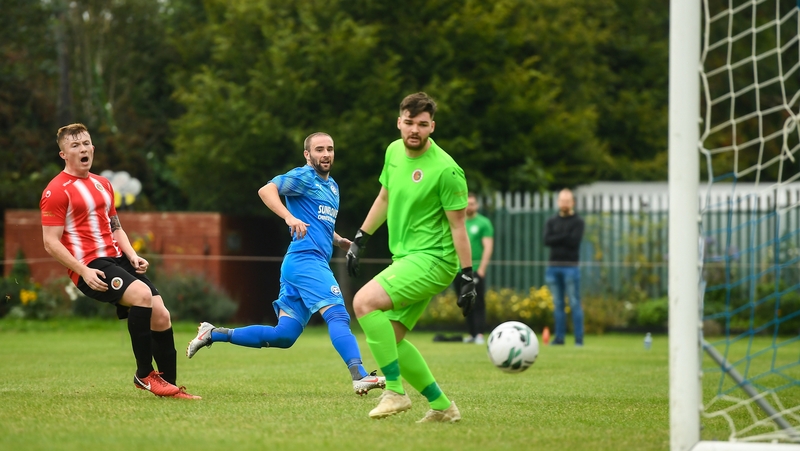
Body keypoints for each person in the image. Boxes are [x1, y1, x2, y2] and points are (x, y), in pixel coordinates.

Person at [186, 132, 386, 396]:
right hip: (306, 261)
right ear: (307, 154)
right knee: (337, 313)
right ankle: (359, 375)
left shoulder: (333, 186)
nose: (325, 154)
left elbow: (319, 223)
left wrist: (338, 241)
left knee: (284, 335)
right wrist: (288, 217)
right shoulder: (304, 176)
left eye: (330, 149)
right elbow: (265, 190)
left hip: (302, 264)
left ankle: (214, 333)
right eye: (319, 149)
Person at [40, 123, 199, 399]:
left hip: (117, 259)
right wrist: (82, 270)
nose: (83, 149)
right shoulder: (56, 190)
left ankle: (169, 386)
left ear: (93, 148)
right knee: (141, 295)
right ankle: (143, 374)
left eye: (86, 143)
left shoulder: (103, 184)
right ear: (63, 154)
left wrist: (133, 255)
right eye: (75, 145)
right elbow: (50, 242)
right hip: (90, 265)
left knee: (161, 315)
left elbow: (115, 226)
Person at [346, 92, 477, 423]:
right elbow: (385, 197)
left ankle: (395, 392)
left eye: (422, 124)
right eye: (409, 123)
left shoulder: (447, 170)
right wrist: (360, 239)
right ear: (399, 122)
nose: (414, 130)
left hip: (434, 259)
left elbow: (459, 227)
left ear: (432, 126)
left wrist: (467, 275)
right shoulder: (392, 151)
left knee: (363, 302)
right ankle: (443, 406)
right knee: (391, 337)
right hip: (407, 258)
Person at [543, 188, 585, 346]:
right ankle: (559, 338)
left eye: (567, 201)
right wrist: (565, 236)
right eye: (562, 200)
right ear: (558, 202)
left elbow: (574, 241)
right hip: (553, 267)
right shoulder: (551, 221)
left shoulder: (578, 222)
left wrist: (557, 238)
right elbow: (547, 240)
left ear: (572, 202)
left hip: (571, 267)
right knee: (558, 304)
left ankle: (578, 339)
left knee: (574, 302)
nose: (564, 203)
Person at [462, 192, 494, 345]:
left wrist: (481, 269)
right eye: (467, 203)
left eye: (472, 203)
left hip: (475, 269)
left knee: (478, 302)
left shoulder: (483, 223)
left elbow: (488, 247)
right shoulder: (458, 222)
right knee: (464, 302)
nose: (470, 206)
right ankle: (471, 334)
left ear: (477, 205)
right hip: (459, 270)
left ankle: (480, 334)